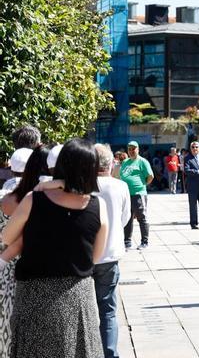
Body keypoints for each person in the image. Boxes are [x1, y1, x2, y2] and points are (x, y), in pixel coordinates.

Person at [2, 139, 108, 358]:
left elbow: (6, 236)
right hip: (78, 294)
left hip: (35, 294)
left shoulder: (34, 199)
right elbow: (95, 257)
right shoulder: (99, 206)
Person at [0, 147, 49, 357]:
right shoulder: (50, 201)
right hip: (37, 274)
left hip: (5, 273)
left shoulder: (5, 198)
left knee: (5, 332)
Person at [92, 144, 132, 358]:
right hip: (110, 253)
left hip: (86, 255)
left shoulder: (82, 185)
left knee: (87, 311)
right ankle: (110, 353)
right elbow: (125, 218)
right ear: (111, 163)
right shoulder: (120, 186)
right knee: (108, 311)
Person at [119, 141, 152, 250]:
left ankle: (144, 242)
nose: (131, 151)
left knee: (142, 217)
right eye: (129, 149)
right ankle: (127, 242)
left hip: (138, 194)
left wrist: (141, 186)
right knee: (127, 218)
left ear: (138, 149)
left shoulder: (142, 162)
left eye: (134, 149)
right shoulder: (125, 162)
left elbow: (150, 176)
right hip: (126, 195)